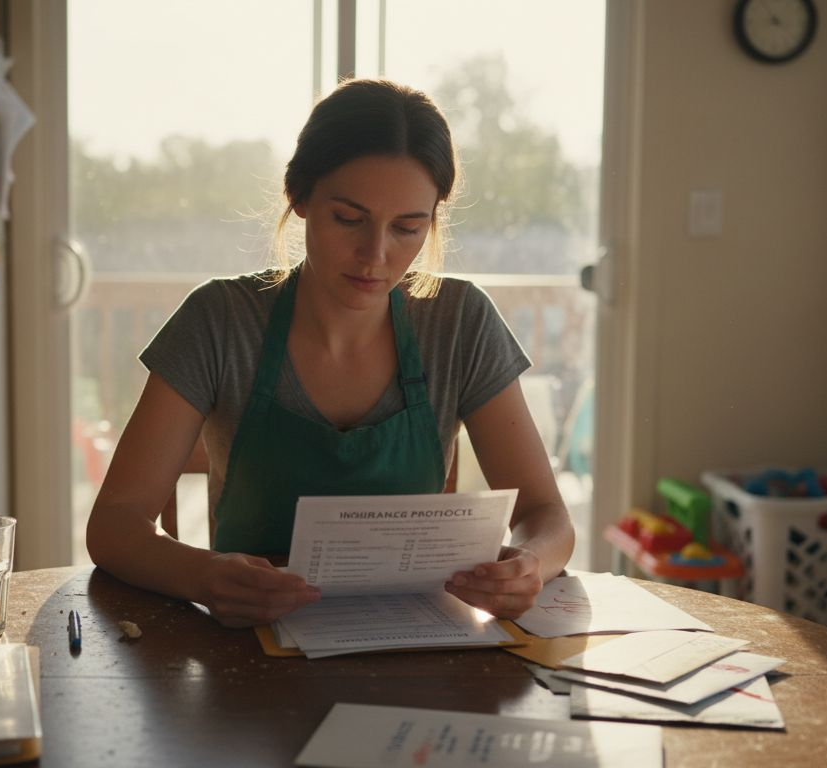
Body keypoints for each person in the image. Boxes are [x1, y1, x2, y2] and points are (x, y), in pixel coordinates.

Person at [87, 78, 575, 628]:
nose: (375, 254)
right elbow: (114, 525)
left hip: (413, 641)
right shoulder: (220, 320)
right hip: (250, 644)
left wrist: (529, 565)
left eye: (407, 227)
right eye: (348, 219)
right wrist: (204, 576)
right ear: (298, 195)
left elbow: (547, 515)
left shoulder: (460, 322)